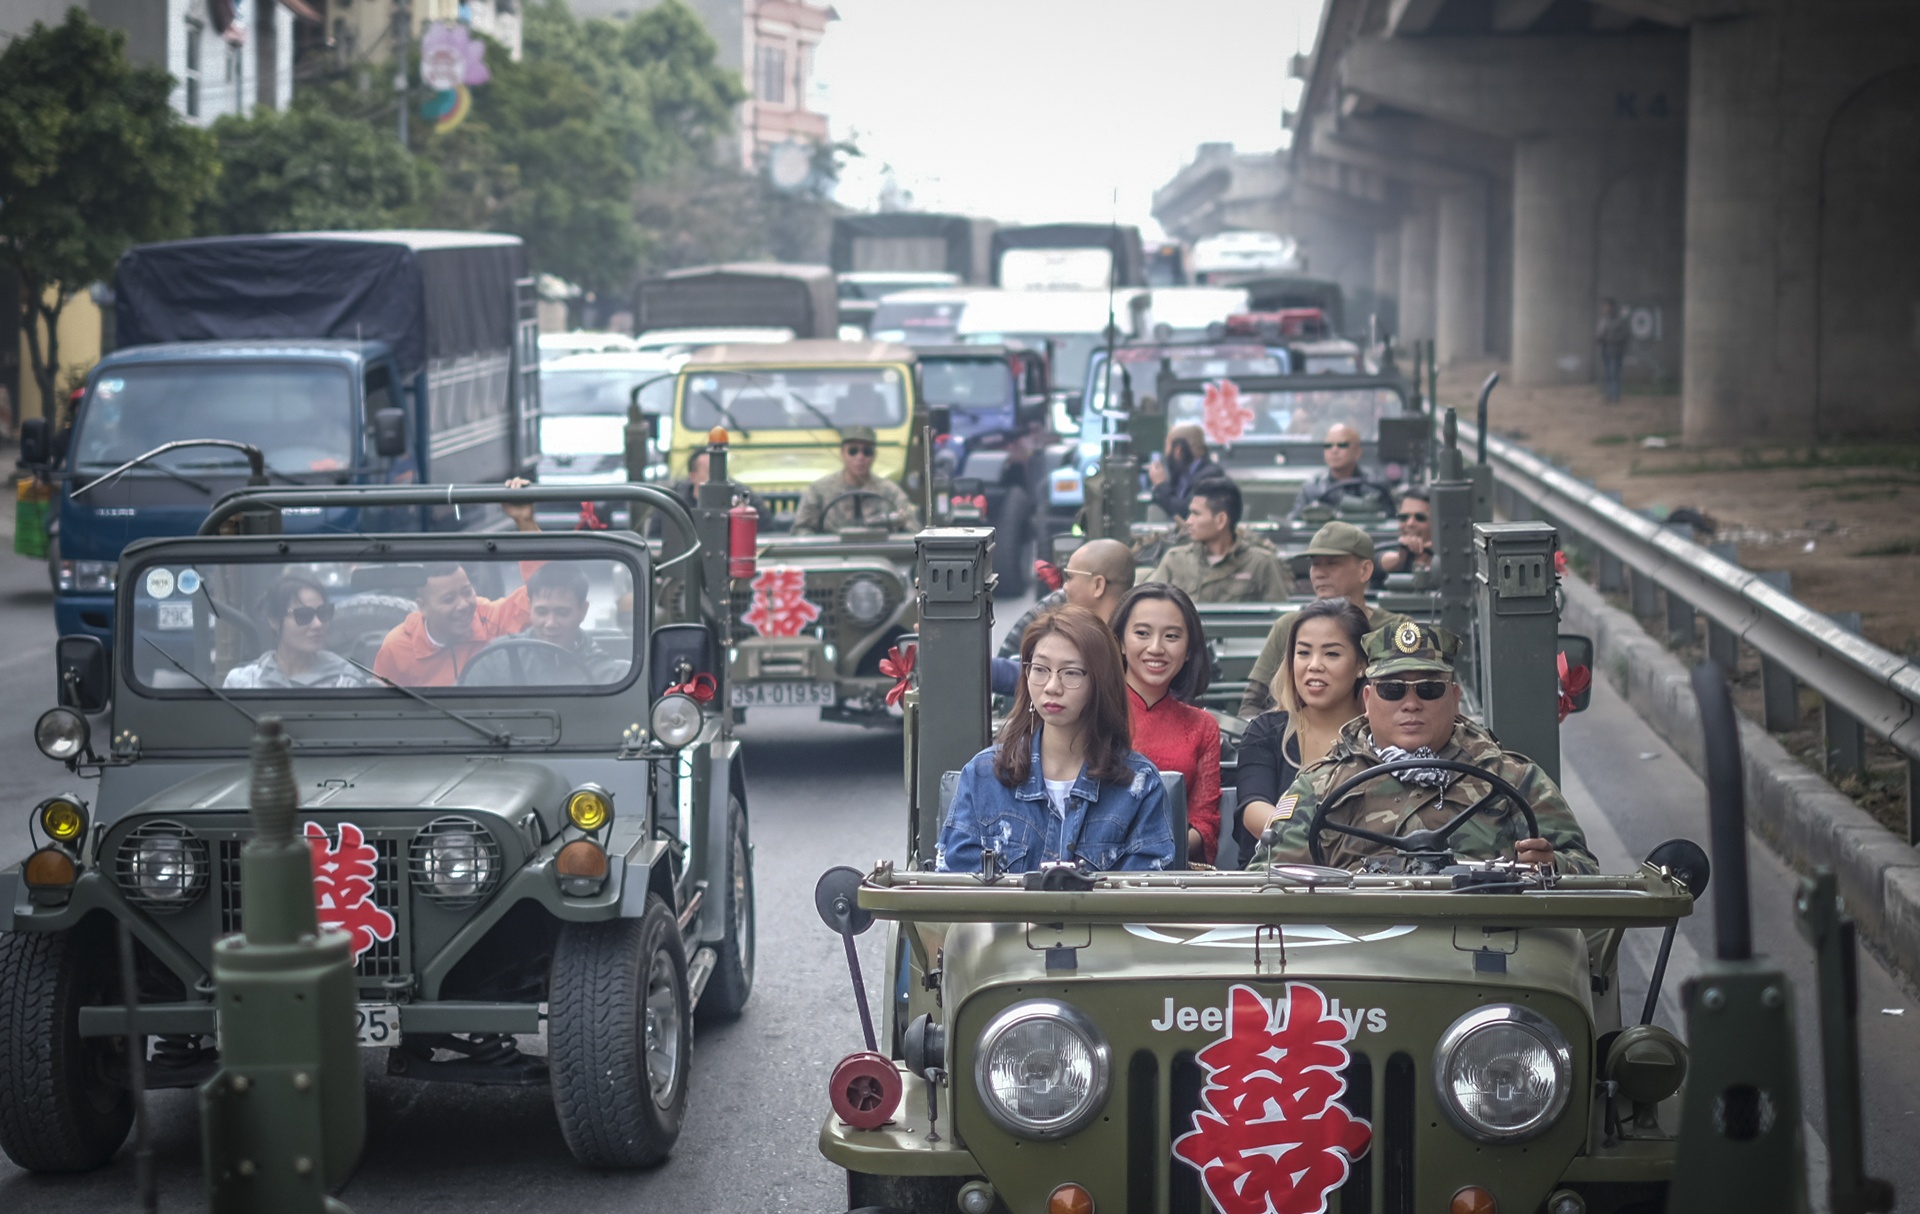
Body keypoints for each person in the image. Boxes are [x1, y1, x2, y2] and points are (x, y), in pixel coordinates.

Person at [1247, 622, 1598, 874]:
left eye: (1429, 690)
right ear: (1368, 700)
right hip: (1357, 957)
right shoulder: (1321, 785)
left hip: (1482, 951)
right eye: (1393, 690)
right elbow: (1267, 879)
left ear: (1454, 698)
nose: (1411, 704)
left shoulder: (1513, 779)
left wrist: (1552, 865)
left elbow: (1586, 874)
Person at [937, 605, 1177, 875]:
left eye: (1071, 673)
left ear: (1101, 682)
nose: (1052, 686)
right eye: (1040, 669)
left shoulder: (1139, 785)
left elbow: (1145, 897)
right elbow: (954, 889)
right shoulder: (984, 775)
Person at [1232, 599, 1369, 859]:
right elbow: (1253, 810)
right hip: (1274, 881)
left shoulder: (1380, 734)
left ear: (1361, 664)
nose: (1314, 665)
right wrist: (1324, 841)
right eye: (1303, 652)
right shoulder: (1266, 730)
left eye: (1332, 654)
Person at [372, 482, 544, 686]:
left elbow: (546, 591)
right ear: (422, 607)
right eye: (449, 599)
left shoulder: (490, 619)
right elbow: (381, 709)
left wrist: (526, 522)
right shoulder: (397, 647)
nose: (463, 605)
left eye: (466, 592)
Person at [1239, 521, 1411, 717]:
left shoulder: (1396, 629)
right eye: (1315, 564)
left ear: (1364, 570)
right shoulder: (1289, 626)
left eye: (1332, 563)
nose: (1320, 573)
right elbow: (1253, 702)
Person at [1112, 584, 1222, 865]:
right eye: (1142, 633)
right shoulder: (1089, 711)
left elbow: (1205, 823)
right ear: (1121, 642)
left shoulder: (1202, 726)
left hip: (1169, 874)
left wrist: (1155, 848)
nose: (1156, 648)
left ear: (1188, 650)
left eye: (1171, 636)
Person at [991, 537, 1134, 695]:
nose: (1064, 587)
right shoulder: (1134, 636)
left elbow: (1032, 676)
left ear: (1098, 586)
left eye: (1069, 577)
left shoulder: (1103, 644)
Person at [1146, 477, 1293, 604]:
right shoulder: (1175, 561)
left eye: (1196, 514)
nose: (1188, 521)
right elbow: (1149, 606)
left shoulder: (1260, 563)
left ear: (1221, 520)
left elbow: (1277, 622)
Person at [224, 576, 371, 689]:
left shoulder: (345, 682)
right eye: (304, 615)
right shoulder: (244, 682)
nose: (318, 624)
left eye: (323, 612)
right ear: (274, 620)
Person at [792, 425, 920, 534]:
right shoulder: (819, 491)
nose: (860, 457)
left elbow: (912, 528)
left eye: (867, 451)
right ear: (842, 453)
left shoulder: (890, 492)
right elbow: (801, 530)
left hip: (879, 556)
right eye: (853, 451)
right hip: (833, 558)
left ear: (874, 455)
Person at [1288, 423, 1396, 521]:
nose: (1334, 450)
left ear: (1358, 452)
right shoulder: (1311, 489)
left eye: (1342, 445)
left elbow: (1390, 522)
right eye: (1328, 446)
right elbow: (1295, 522)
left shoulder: (1376, 487)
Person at [1145, 423, 1223, 522]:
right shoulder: (1180, 470)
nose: (1166, 453)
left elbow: (1186, 512)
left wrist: (1161, 484)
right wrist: (1158, 485)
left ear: (1178, 450)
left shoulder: (1210, 475)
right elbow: (1162, 504)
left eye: (1167, 446)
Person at [1373, 486, 1433, 581]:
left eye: (1420, 517)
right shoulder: (1393, 549)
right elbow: (1376, 562)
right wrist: (1400, 559)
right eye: (1403, 517)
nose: (1410, 523)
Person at [1597, 298, 1631, 405]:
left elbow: (1624, 336)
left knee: (1614, 374)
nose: (1606, 310)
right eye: (1604, 308)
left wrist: (1612, 339)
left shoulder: (1619, 321)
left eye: (1608, 307)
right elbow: (1599, 336)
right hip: (1605, 351)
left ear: (1612, 308)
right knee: (1608, 374)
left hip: (1616, 352)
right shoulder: (1603, 321)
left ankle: (1615, 396)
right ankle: (1609, 395)